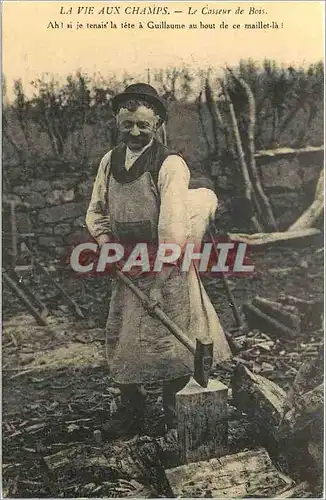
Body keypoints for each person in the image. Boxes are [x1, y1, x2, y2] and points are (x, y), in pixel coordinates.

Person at [86, 83, 231, 435]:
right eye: (127, 124)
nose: (134, 132)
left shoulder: (170, 165)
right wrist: (107, 243)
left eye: (143, 125)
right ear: (117, 122)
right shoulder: (110, 161)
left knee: (173, 343)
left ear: (158, 125)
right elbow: (97, 210)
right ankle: (130, 413)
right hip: (128, 264)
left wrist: (162, 280)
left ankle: (175, 417)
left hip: (168, 262)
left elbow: (173, 226)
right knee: (123, 339)